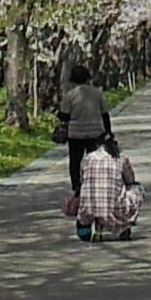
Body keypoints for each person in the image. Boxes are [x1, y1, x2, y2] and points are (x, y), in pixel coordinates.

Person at [58, 61, 114, 199]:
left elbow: (65, 116)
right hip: (95, 133)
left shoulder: (70, 95)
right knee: (95, 162)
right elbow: (105, 114)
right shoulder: (97, 93)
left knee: (75, 163)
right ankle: (94, 187)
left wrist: (58, 114)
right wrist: (108, 132)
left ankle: (77, 188)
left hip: (76, 134)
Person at [74, 142, 143, 242]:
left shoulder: (87, 158)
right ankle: (126, 226)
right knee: (137, 189)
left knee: (97, 195)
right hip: (113, 207)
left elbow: (82, 180)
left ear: (97, 145)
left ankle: (98, 232)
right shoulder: (121, 158)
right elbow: (130, 180)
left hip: (90, 207)